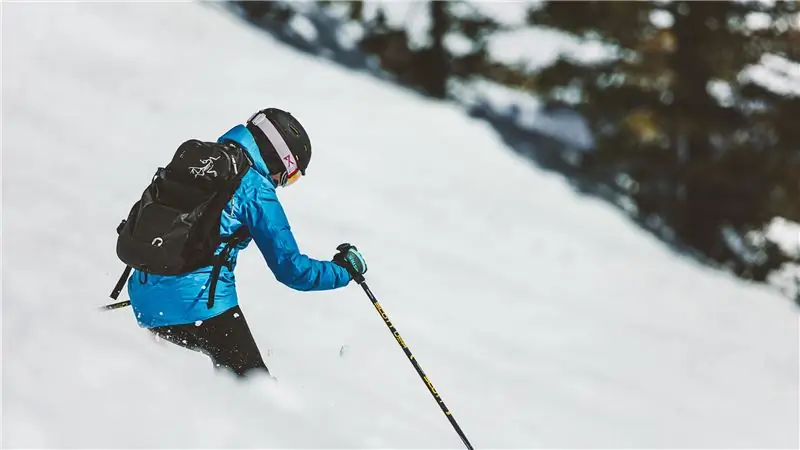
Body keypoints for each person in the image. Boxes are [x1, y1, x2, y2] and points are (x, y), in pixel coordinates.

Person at [125, 107, 368, 378]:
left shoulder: (205, 161)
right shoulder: (255, 189)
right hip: (198, 306)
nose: (283, 183)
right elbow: (291, 270)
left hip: (143, 297)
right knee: (256, 392)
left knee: (220, 386)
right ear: (280, 159)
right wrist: (344, 271)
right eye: (291, 175)